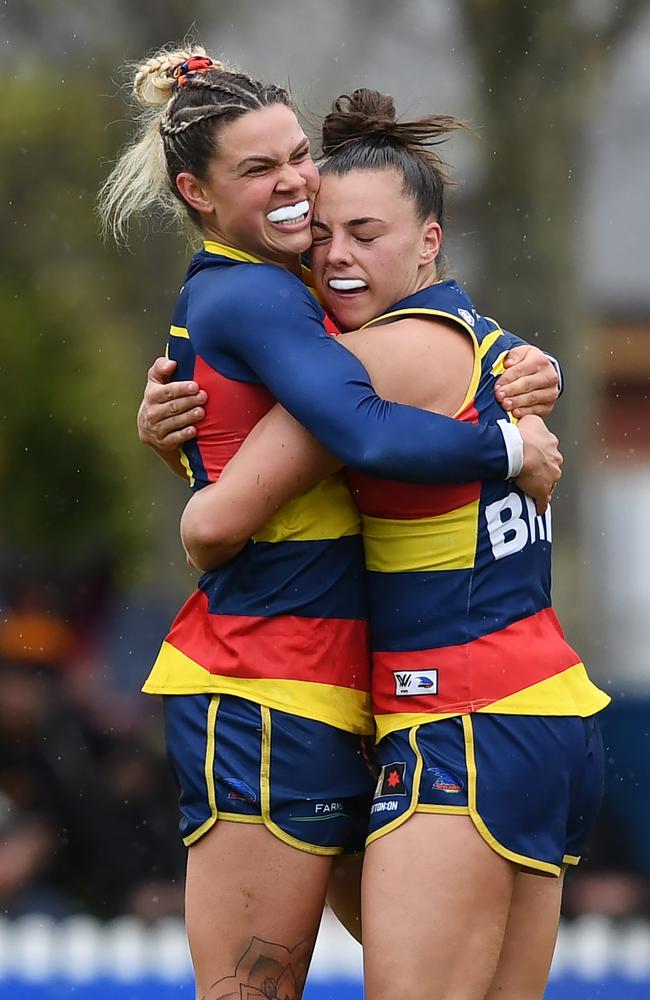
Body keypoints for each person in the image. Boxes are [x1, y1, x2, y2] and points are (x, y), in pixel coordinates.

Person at [99, 44, 561, 999]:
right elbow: (242, 505)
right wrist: (508, 449)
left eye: (296, 154)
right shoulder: (260, 291)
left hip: (346, 692)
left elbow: (404, 338)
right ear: (194, 189)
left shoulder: (304, 288)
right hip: (265, 676)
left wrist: (521, 366)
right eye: (258, 169)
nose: (295, 186)